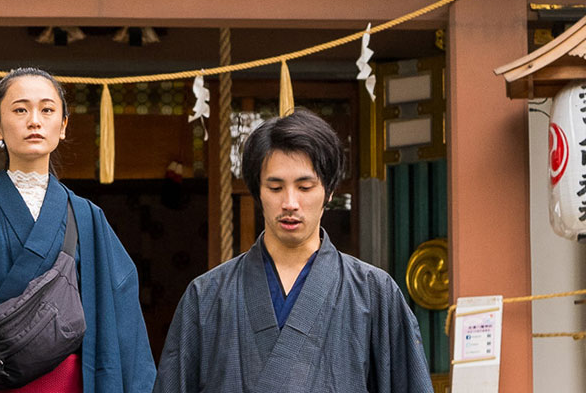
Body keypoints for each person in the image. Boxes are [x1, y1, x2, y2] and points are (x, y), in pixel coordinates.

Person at [154, 109, 432, 393]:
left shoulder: (374, 293)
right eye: (275, 188)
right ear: (257, 191)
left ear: (330, 191)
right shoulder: (207, 297)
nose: (290, 203)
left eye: (305, 187)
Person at [0, 67, 156, 393]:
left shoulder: (88, 217)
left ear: (62, 126)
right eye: (20, 109)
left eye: (47, 110)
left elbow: (120, 309)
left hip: (66, 384)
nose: (34, 120)